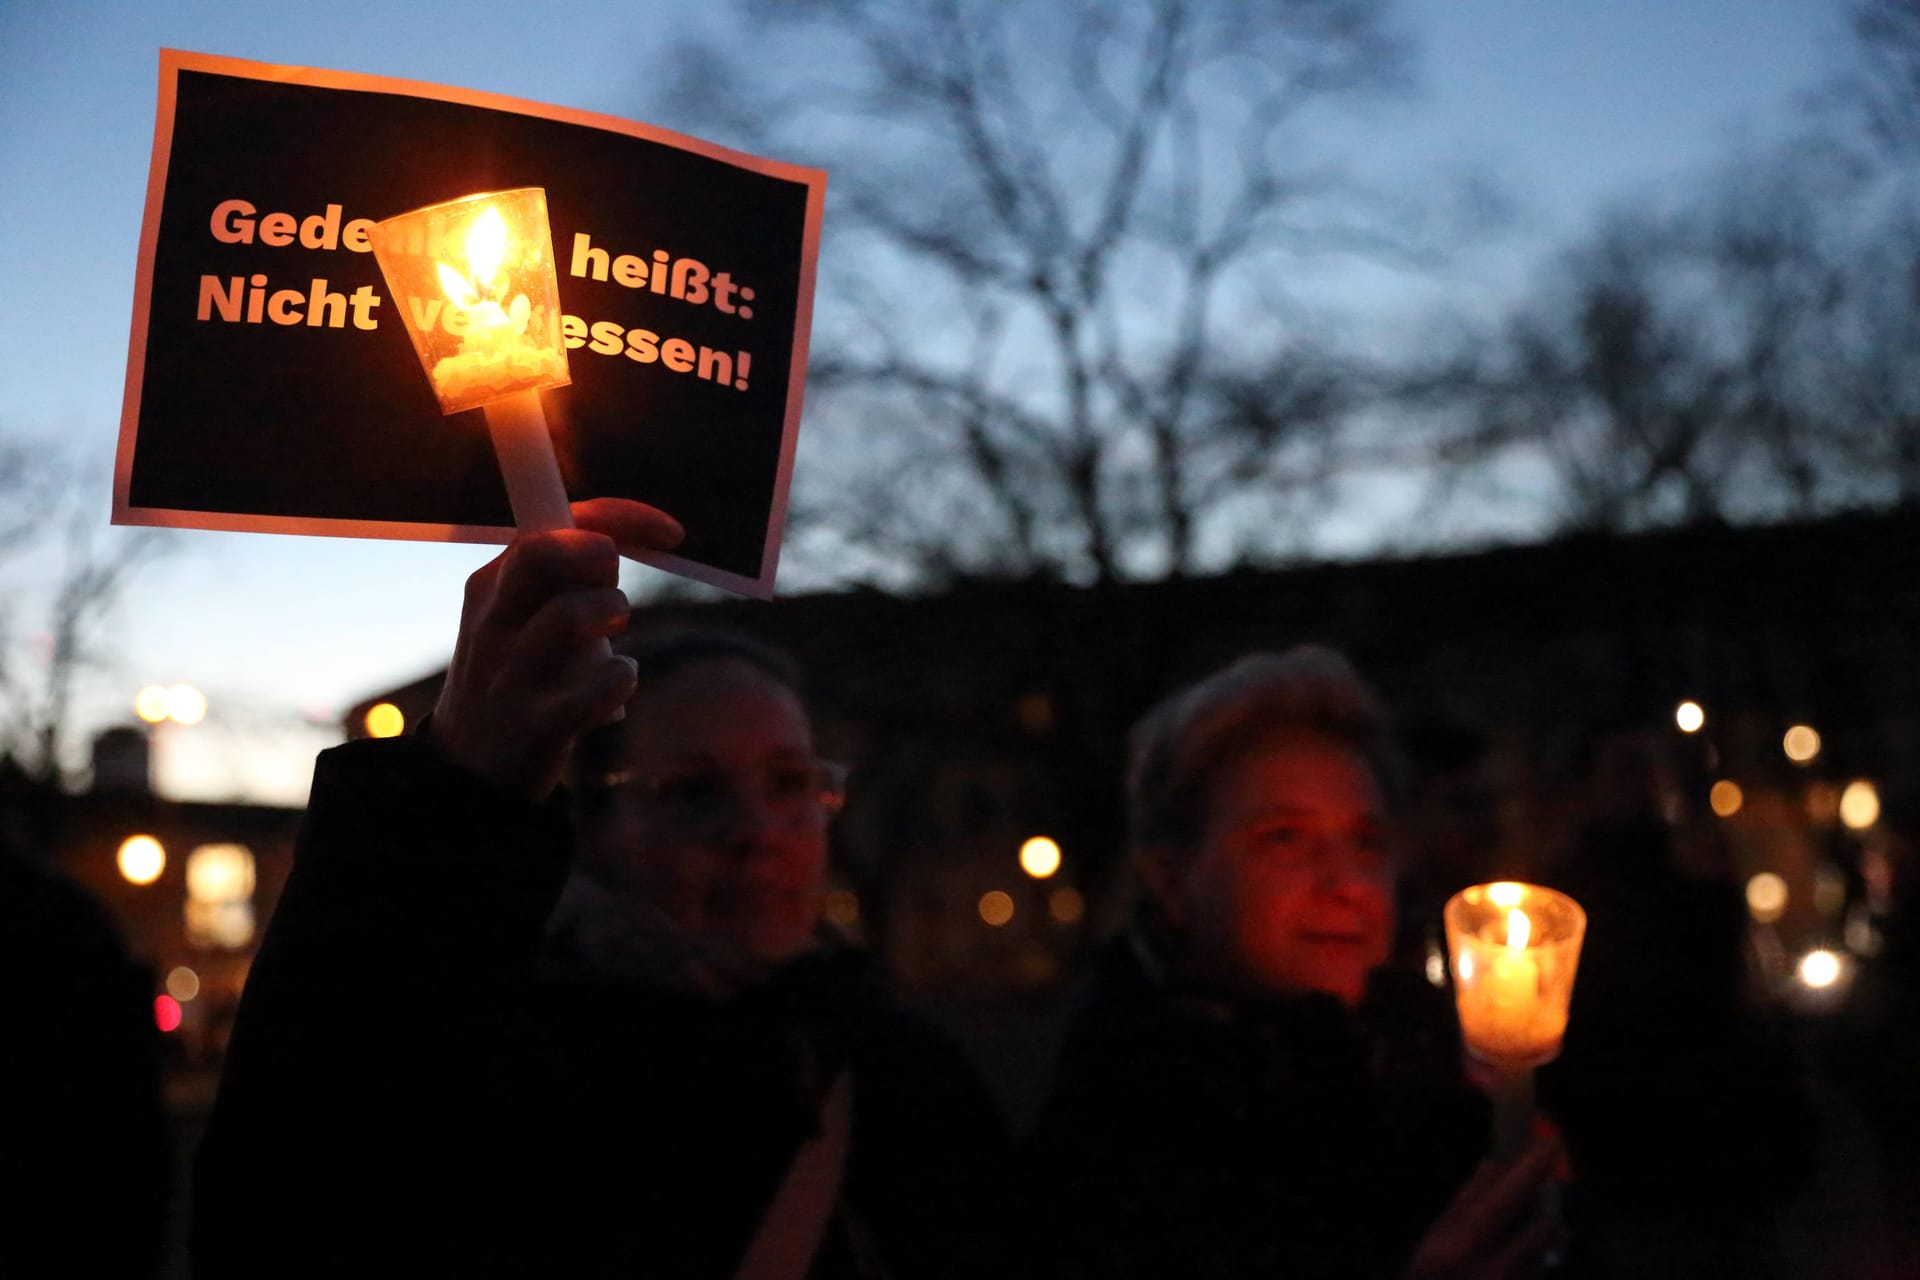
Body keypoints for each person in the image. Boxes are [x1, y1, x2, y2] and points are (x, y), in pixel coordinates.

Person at [193, 501, 1012, 1279]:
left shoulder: (902, 1072)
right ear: (595, 826)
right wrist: (455, 791)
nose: (757, 830)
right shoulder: (497, 1082)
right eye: (694, 791)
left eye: (791, 782)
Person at [1021, 647, 1560, 1280]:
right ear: (1171, 879)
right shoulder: (1116, 1141)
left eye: (1367, 841)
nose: (1347, 882)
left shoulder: (1434, 1078)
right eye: (1284, 838)